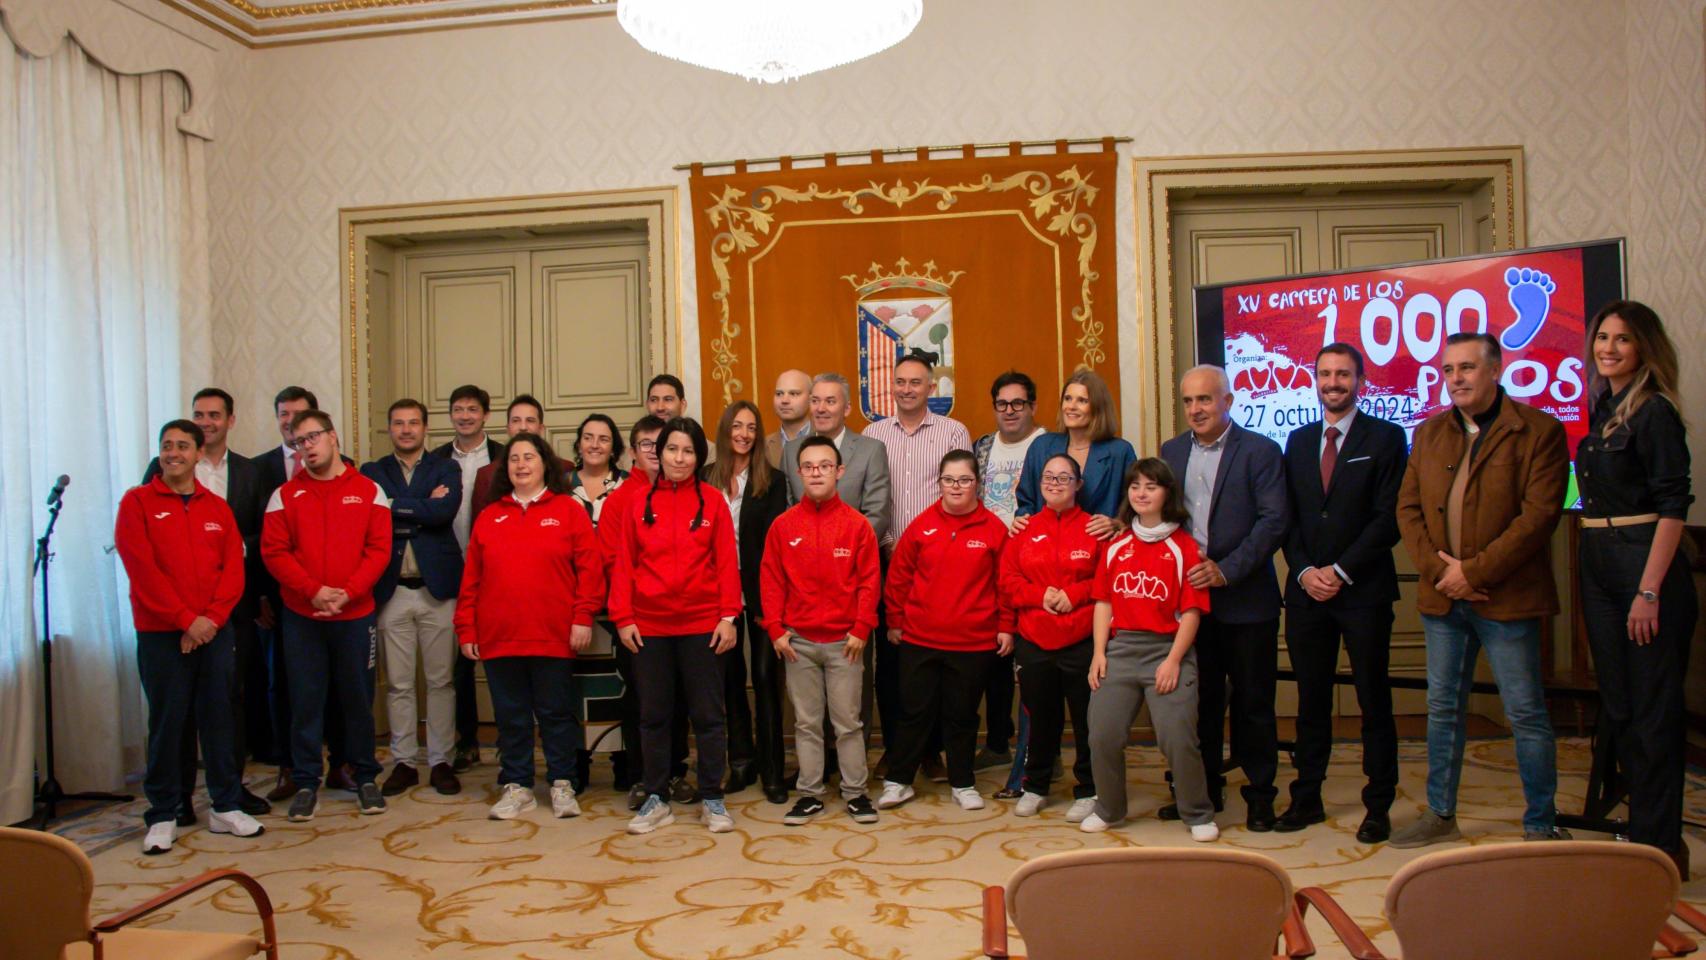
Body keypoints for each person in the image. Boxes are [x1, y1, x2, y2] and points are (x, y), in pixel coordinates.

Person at [1393, 332, 1570, 847]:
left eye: (1466, 368)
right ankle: (1441, 814)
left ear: (1495, 370)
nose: (1456, 379)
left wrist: (1475, 572)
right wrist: (1441, 571)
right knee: (1443, 708)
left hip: (1506, 601)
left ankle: (1540, 820)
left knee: (1525, 713)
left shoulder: (1540, 431)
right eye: (1448, 370)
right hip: (1442, 598)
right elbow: (1407, 510)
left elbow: (1538, 519)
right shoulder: (1428, 433)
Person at [1575, 300, 1697, 876]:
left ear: (1644, 346)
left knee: (1652, 712)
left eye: (1623, 339)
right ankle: (1642, 833)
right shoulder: (1604, 407)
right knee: (1620, 707)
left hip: (1642, 565)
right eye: (1603, 337)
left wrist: (1649, 591)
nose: (1610, 348)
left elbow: (1673, 505)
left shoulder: (1655, 414)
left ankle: (1660, 847)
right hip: (1597, 561)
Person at [1277, 344, 1406, 843]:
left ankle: (1378, 805)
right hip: (1307, 592)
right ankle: (1306, 796)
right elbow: (1287, 517)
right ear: (1314, 379)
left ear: (1361, 380)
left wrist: (1341, 570)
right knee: (1310, 700)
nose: (1334, 382)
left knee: (1374, 700)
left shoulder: (1388, 437)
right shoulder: (1298, 438)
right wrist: (1307, 570)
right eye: (1325, 374)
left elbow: (1389, 517)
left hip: (1363, 591)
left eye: (1343, 374)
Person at [116, 420, 263, 854]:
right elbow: (142, 571)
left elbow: (233, 572)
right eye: (167, 446)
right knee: (168, 724)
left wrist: (210, 621)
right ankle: (163, 813)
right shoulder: (137, 502)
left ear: (200, 453)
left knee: (220, 719)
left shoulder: (217, 508)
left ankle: (225, 805)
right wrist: (185, 621)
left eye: (183, 446)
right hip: (163, 634)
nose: (173, 453)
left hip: (213, 631)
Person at [1159, 365, 1288, 831]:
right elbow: (1164, 518)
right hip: (1193, 605)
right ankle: (1203, 793)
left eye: (1205, 400)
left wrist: (1226, 571)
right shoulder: (1171, 452)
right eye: (1189, 401)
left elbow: (1273, 521)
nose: (1196, 409)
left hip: (1246, 600)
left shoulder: (1260, 451)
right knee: (1201, 704)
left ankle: (1259, 796)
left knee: (1254, 703)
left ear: (1228, 402)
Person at [456, 432, 605, 820]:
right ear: (506, 469)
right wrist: (466, 629)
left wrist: (582, 616)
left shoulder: (568, 510)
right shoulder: (490, 516)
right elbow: (471, 579)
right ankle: (517, 784)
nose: (521, 465)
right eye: (514, 459)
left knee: (556, 713)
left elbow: (589, 571)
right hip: (499, 636)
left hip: (553, 634)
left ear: (545, 465)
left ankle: (561, 783)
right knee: (511, 716)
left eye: (530, 458)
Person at [142, 388, 272, 819]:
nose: (206, 422)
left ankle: (229, 793)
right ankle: (175, 800)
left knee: (228, 704)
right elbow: (147, 560)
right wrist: (186, 620)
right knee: (173, 712)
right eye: (199, 415)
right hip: (171, 623)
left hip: (230, 611)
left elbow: (255, 539)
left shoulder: (251, 473)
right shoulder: (148, 486)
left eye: (214, 415)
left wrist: (213, 615)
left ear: (230, 420)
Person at [610, 417, 743, 835]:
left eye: (688, 451)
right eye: (671, 450)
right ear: (658, 453)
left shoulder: (713, 502)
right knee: (653, 716)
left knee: (708, 715)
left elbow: (726, 562)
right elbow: (623, 564)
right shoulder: (635, 502)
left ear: (698, 457)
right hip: (649, 627)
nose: (679, 458)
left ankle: (712, 797)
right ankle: (655, 796)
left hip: (703, 625)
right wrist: (623, 618)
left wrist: (728, 617)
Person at [262, 409, 393, 822]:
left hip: (355, 617)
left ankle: (365, 775)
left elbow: (378, 551)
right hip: (303, 617)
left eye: (313, 437)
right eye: (299, 442)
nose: (307, 448)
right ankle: (305, 782)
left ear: (333, 437)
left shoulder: (369, 489)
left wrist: (348, 593)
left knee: (357, 699)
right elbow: (274, 553)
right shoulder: (284, 494)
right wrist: (314, 592)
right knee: (305, 700)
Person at [1080, 459, 1217, 842]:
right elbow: (1102, 603)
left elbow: (1192, 611)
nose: (1142, 493)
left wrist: (1174, 660)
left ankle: (1197, 811)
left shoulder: (1184, 547)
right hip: (1120, 650)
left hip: (1167, 651)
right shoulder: (1115, 546)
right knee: (1102, 734)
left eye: (1151, 486)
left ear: (1167, 493)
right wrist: (1099, 653)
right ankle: (1108, 807)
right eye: (1135, 486)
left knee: (1176, 736)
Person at [876, 450, 1011, 812]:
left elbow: (1005, 585)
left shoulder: (994, 530)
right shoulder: (922, 526)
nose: (956, 487)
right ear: (939, 483)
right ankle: (899, 781)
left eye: (964, 480)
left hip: (973, 642)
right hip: (919, 639)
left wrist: (1006, 628)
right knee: (913, 712)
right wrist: (895, 622)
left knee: (962, 715)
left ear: (977, 484)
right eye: (949, 480)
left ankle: (963, 782)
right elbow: (899, 579)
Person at [762, 436, 882, 825]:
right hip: (798, 642)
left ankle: (856, 793)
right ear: (799, 474)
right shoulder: (782, 527)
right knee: (806, 723)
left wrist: (862, 627)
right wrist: (776, 629)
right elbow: (771, 580)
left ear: (838, 471)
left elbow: (869, 581)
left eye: (824, 466)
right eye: (809, 467)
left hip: (845, 642)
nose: (816, 473)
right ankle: (810, 794)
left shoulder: (857, 526)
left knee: (848, 723)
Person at [864, 353, 969, 781]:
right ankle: (895, 747)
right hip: (887, 560)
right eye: (900, 382)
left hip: (940, 564)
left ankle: (932, 751)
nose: (907, 389)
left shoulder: (953, 431)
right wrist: (885, 547)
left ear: (931, 387)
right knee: (891, 663)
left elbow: (963, 494)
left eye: (916, 382)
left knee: (937, 659)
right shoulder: (873, 435)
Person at [254, 386, 357, 801]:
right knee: (289, 688)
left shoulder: (351, 472)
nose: (290, 423)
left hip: (344, 603)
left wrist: (340, 592)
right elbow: (261, 541)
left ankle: (344, 764)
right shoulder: (257, 469)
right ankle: (293, 770)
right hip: (283, 599)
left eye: (299, 417)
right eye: (284, 415)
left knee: (341, 688)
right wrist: (265, 595)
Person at [363, 399, 464, 797]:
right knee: (399, 684)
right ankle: (404, 761)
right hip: (392, 591)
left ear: (425, 428)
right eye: (398, 423)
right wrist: (421, 505)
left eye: (413, 423)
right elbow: (372, 516)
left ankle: (441, 760)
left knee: (441, 681)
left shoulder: (445, 467)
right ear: (389, 428)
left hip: (436, 588)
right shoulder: (373, 472)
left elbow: (443, 513)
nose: (406, 430)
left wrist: (394, 505)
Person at [601, 416, 696, 810]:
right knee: (642, 701)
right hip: (636, 619)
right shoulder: (623, 499)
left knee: (678, 701)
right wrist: (628, 614)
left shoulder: (692, 495)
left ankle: (674, 771)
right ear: (634, 452)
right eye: (647, 445)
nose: (657, 453)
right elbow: (612, 559)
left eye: (664, 444)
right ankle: (641, 776)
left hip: (681, 619)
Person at [999, 453, 1099, 821]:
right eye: (1048, 478)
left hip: (1082, 640)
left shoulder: (1093, 529)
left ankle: (1089, 789)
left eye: (1064, 478)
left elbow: (1106, 580)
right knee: (1041, 720)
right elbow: (1008, 581)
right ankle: (1036, 785)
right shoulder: (1022, 530)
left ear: (1078, 485)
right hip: (1035, 640)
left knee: (1088, 720)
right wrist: (1039, 596)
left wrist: (1075, 594)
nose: (1055, 484)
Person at [704, 400, 792, 802]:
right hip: (715, 595)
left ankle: (773, 769)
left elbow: (776, 546)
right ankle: (741, 762)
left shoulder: (772, 481)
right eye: (737, 426)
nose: (743, 434)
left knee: (766, 680)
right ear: (725, 431)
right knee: (727, 682)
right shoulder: (705, 479)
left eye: (752, 428)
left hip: (761, 595)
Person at [974, 370, 1048, 784]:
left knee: (1035, 661)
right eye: (1002, 404)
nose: (1010, 411)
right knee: (994, 658)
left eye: (1018, 403)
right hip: (987, 564)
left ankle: (1039, 747)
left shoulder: (1048, 445)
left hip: (1033, 566)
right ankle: (999, 742)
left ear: (1033, 406)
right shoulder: (983, 447)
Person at [430, 383, 505, 774]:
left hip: (494, 572)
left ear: (485, 415)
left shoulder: (504, 458)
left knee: (498, 660)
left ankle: (509, 740)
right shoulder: (436, 459)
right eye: (457, 409)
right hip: (447, 569)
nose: (464, 416)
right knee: (457, 662)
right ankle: (467, 740)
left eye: (472, 409)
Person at [1015, 368, 1134, 536]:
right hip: (1047, 547)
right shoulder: (1041, 446)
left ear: (1098, 407)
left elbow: (1135, 505)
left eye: (1082, 401)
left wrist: (1117, 523)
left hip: (1099, 547)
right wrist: (1021, 519)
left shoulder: (1120, 452)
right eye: (1067, 398)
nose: (1071, 406)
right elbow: (1026, 502)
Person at [468, 394, 555, 520]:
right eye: (516, 421)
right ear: (508, 429)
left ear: (541, 428)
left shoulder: (565, 469)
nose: (523, 427)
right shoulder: (486, 475)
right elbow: (479, 528)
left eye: (530, 420)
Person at [567, 413, 627, 520]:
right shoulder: (560, 483)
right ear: (579, 446)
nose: (594, 445)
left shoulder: (627, 482)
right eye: (587, 438)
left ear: (613, 449)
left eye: (603, 439)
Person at [765, 368, 813, 468]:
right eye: (779, 394)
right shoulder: (762, 446)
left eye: (794, 393)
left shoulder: (829, 438)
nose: (784, 400)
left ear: (811, 399)